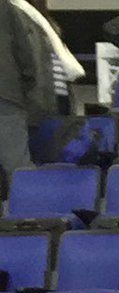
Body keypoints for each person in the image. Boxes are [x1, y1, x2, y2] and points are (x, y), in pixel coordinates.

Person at [0, 0, 36, 192]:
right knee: (18, 168)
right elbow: (26, 55)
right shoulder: (5, 8)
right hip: (6, 95)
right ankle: (28, 215)